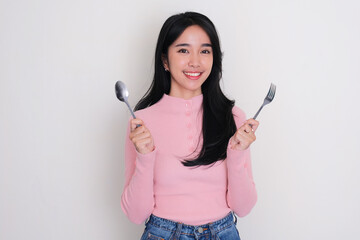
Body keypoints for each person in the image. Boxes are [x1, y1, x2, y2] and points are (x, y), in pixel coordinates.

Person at [121, 11, 259, 240]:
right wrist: (144, 156)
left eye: (205, 51)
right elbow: (136, 214)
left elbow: (243, 208)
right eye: (183, 50)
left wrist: (236, 153)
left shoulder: (233, 117)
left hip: (223, 233)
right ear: (164, 59)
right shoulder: (140, 123)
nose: (195, 61)